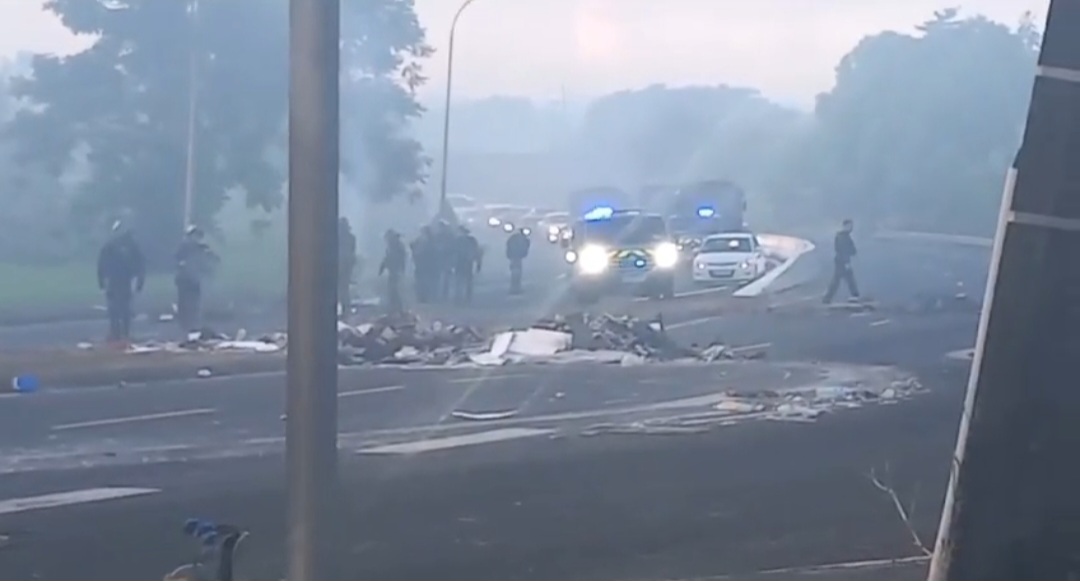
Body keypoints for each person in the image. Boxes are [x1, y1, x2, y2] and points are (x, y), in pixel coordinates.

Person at [97, 220, 146, 344]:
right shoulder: (126, 246)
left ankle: (119, 333)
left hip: (121, 280)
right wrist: (140, 281)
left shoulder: (113, 245)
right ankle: (121, 333)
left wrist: (101, 282)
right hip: (120, 280)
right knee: (120, 308)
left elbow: (101, 265)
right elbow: (140, 265)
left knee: (118, 308)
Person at [174, 225, 218, 333]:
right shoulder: (184, 247)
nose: (196, 237)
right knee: (185, 303)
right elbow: (177, 260)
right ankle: (185, 323)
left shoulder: (201, 248)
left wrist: (208, 268)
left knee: (194, 302)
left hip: (193, 279)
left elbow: (209, 260)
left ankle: (192, 323)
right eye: (194, 235)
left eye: (197, 235)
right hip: (185, 279)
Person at [823, 218, 861, 304]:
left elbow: (850, 250)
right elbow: (843, 250)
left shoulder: (844, 236)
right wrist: (846, 262)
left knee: (840, 280)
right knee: (844, 280)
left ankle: (827, 298)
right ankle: (854, 296)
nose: (851, 228)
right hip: (842, 261)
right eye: (850, 226)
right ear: (845, 226)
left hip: (841, 261)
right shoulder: (842, 237)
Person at [378, 229, 407, 314]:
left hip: (396, 270)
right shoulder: (391, 246)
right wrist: (382, 267)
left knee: (394, 289)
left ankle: (398, 308)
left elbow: (399, 259)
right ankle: (394, 307)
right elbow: (387, 258)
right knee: (392, 289)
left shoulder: (398, 246)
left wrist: (400, 269)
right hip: (393, 270)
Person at [451, 226, 482, 304]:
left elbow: (453, 253)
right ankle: (465, 297)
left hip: (462, 263)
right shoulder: (471, 241)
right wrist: (478, 263)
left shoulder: (457, 241)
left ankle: (459, 298)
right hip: (466, 263)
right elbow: (477, 252)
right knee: (466, 281)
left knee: (461, 281)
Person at [338, 217, 357, 319]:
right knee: (344, 288)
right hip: (345, 265)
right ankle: (345, 309)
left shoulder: (338, 237)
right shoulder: (351, 238)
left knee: (343, 288)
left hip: (342, 265)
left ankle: (345, 309)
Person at [410, 226, 435, 303]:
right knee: (422, 280)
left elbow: (419, 251)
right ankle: (422, 297)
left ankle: (423, 297)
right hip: (423, 263)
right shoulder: (426, 240)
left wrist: (415, 252)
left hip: (423, 263)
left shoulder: (425, 241)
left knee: (422, 280)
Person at [505, 227, 531, 295]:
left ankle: (514, 287)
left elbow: (508, 245)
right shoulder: (523, 239)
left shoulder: (514, 238)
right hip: (517, 256)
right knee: (517, 271)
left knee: (515, 271)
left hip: (514, 256)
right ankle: (516, 287)